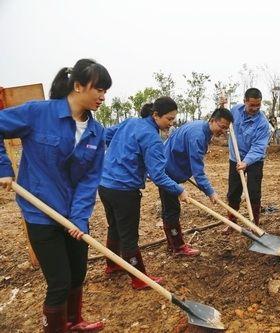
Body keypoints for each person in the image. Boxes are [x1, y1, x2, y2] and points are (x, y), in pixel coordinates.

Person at [0, 58, 111, 332]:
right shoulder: (39, 113)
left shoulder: (97, 132)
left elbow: (89, 180)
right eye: (99, 88)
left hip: (73, 214)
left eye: (106, 90)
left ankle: (73, 321)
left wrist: (80, 218)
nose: (103, 96)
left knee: (78, 274)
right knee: (60, 281)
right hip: (41, 212)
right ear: (78, 86)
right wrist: (4, 167)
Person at [99, 97, 187, 290]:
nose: (171, 123)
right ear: (155, 115)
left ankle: (113, 265)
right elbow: (158, 176)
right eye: (169, 119)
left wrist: (120, 156)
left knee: (114, 226)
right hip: (124, 190)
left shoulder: (131, 122)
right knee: (129, 234)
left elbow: (105, 136)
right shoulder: (152, 138)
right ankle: (139, 278)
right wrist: (179, 189)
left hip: (104, 184)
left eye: (173, 119)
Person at [160, 108, 233, 255]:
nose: (223, 131)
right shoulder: (198, 136)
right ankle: (178, 247)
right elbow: (198, 171)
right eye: (222, 127)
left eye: (226, 129)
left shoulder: (201, 128)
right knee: (171, 210)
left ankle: (173, 244)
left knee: (170, 209)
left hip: (170, 165)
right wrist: (210, 192)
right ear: (212, 120)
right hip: (167, 172)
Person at [226, 88, 270, 228]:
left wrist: (246, 162)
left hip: (254, 161)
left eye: (258, 105)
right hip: (235, 158)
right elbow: (222, 120)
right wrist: (221, 107)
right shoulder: (234, 111)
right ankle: (232, 221)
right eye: (252, 105)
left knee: (253, 192)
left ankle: (254, 225)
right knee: (233, 192)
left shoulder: (263, 123)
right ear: (244, 101)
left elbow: (258, 147)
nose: (255, 108)